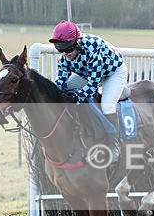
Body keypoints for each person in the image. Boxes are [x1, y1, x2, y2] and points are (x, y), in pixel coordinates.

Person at [48, 20, 128, 163]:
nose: (65, 54)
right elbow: (60, 84)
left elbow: (92, 85)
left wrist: (76, 99)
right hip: (88, 73)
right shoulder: (65, 58)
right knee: (69, 88)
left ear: (77, 43)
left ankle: (114, 146)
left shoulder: (92, 48)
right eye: (60, 49)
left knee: (107, 105)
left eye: (68, 49)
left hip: (113, 73)